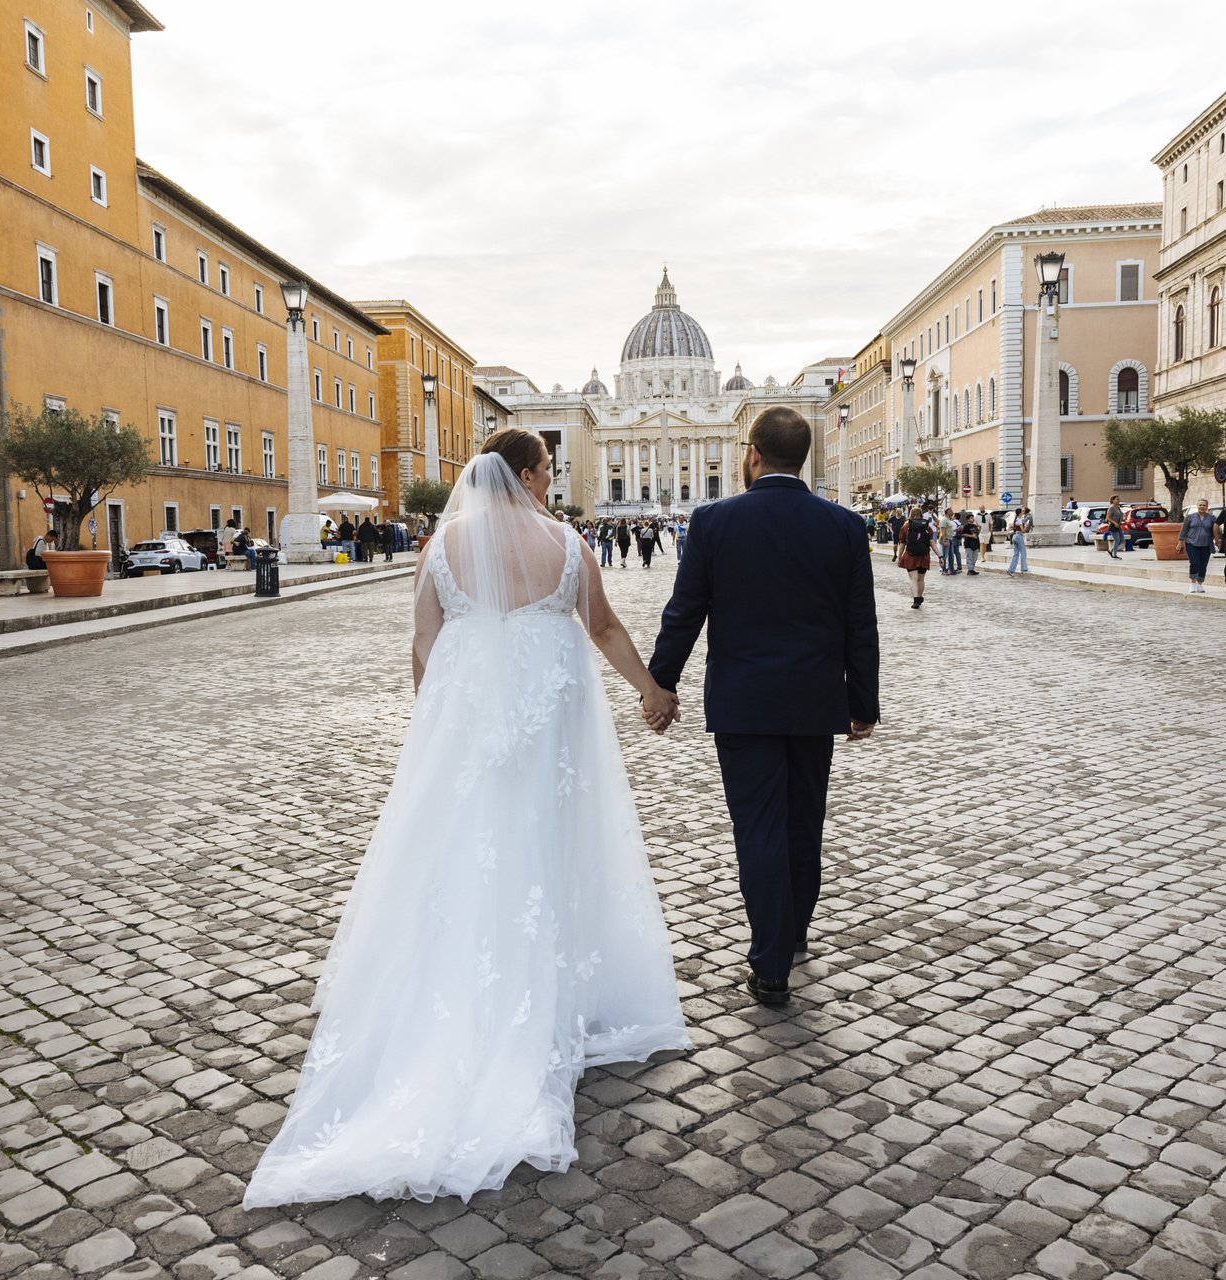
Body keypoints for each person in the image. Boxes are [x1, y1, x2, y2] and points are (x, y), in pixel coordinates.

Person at [241, 429, 686, 1209]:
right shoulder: (565, 542)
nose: (553, 480)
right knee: (547, 851)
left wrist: (436, 728)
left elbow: (424, 644)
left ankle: (462, 991)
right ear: (523, 473)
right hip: (549, 730)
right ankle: (542, 994)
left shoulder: (441, 546)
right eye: (547, 469)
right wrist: (650, 690)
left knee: (465, 855)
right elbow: (605, 628)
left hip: (471, 730)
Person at [646, 406, 881, 1007]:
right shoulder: (844, 527)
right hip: (814, 701)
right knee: (805, 824)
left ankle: (770, 957)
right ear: (800, 456)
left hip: (743, 702)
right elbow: (862, 624)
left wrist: (660, 683)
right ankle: (793, 931)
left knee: (759, 829)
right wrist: (865, 703)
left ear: (751, 453)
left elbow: (685, 611)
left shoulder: (713, 521)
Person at [1178, 498, 1215, 592]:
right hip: (1191, 543)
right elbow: (1184, 530)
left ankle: (1200, 584)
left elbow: (1215, 530)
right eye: (1200, 505)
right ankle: (1193, 583)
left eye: (1204, 505)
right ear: (1197, 506)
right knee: (1194, 563)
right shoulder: (1190, 517)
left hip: (1206, 544)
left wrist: (1218, 540)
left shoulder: (1211, 518)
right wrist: (1180, 542)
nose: (1202, 507)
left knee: (1203, 565)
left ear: (1207, 507)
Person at [900, 508, 933, 607]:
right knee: (921, 579)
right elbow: (932, 542)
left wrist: (899, 556)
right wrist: (940, 556)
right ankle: (919, 596)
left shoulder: (905, 527)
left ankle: (916, 599)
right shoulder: (927, 527)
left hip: (910, 555)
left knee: (913, 578)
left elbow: (902, 544)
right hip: (924, 556)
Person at [1007, 508, 1033, 575]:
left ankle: (1011, 569)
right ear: (1020, 513)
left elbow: (1014, 527)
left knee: (1015, 554)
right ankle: (1024, 568)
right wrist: (1026, 526)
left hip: (1014, 536)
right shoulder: (1020, 520)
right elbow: (1023, 530)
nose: (1023, 512)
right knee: (1023, 552)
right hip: (1019, 536)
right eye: (1022, 511)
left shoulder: (1016, 519)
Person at [960, 510, 982, 576]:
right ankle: (970, 570)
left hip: (975, 543)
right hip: (969, 544)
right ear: (968, 520)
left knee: (975, 557)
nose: (973, 519)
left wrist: (980, 528)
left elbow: (977, 534)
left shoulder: (975, 526)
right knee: (969, 557)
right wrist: (971, 536)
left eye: (973, 518)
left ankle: (972, 569)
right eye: (971, 518)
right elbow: (963, 534)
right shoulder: (966, 526)